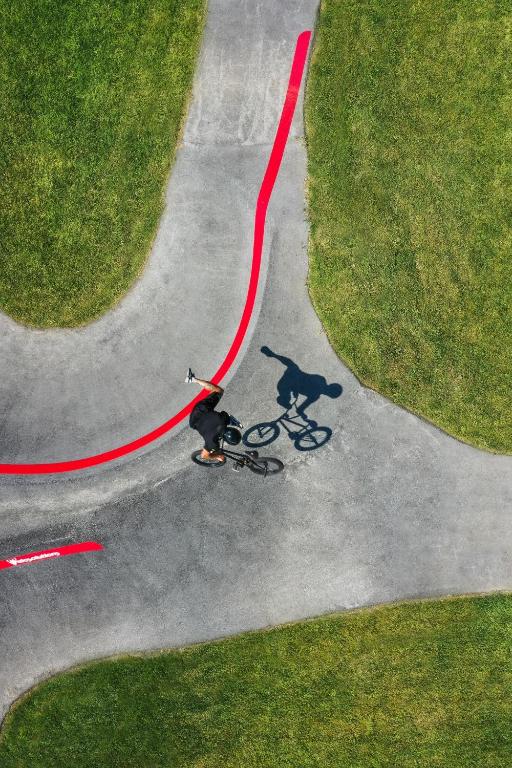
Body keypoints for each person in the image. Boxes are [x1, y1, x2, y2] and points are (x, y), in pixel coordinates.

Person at [186, 369, 242, 462]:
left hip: (201, 409)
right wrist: (217, 456)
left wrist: (229, 420)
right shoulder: (212, 443)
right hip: (194, 421)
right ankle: (192, 379)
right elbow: (204, 456)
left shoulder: (222, 420)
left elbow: (225, 415)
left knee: (218, 391)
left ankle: (193, 379)